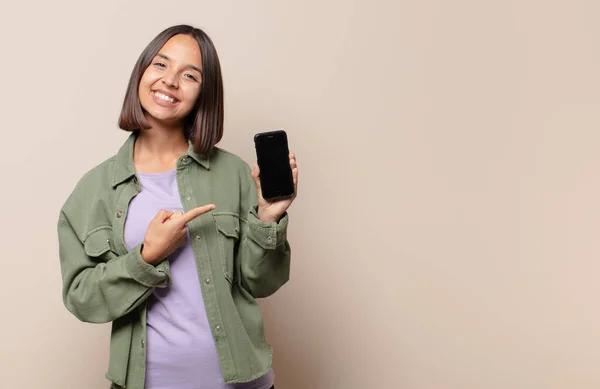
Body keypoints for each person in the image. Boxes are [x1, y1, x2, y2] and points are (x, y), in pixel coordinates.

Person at [57, 24, 297, 389]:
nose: (170, 81)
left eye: (189, 75)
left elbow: (261, 283)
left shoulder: (234, 173)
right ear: (141, 72)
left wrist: (267, 218)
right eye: (160, 65)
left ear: (204, 94)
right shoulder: (94, 190)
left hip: (241, 381)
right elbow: (82, 299)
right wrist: (146, 257)